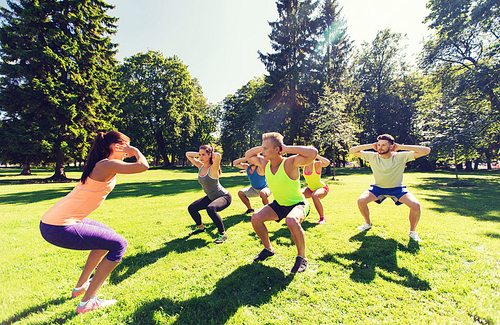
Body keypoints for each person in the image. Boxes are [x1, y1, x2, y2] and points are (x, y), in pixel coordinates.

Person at [39, 131, 149, 314]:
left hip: (57, 221)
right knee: (119, 244)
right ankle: (87, 302)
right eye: (126, 145)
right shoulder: (107, 164)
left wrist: (130, 150)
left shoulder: (105, 164)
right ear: (116, 146)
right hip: (58, 226)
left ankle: (81, 287)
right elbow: (143, 166)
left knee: (108, 237)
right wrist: (136, 151)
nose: (128, 150)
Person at [245, 132, 317, 273]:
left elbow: (313, 153)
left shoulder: (290, 163)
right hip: (280, 204)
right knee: (256, 218)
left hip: (298, 204)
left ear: (277, 150)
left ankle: (301, 258)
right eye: (262, 148)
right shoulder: (264, 163)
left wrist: (287, 148)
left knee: (291, 220)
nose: (262, 151)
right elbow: (248, 155)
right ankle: (268, 249)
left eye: (266, 148)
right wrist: (264, 147)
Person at [349, 134, 431, 242]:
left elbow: (426, 151)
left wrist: (401, 147)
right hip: (378, 188)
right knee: (361, 201)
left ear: (391, 146)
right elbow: (352, 151)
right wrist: (371, 145)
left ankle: (413, 232)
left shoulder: (399, 157)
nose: (380, 147)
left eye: (383, 145)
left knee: (415, 206)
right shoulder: (372, 156)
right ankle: (367, 224)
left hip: (397, 189)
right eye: (378, 145)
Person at [186, 145, 232, 244]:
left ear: (210, 155)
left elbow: (218, 155)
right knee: (192, 208)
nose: (200, 157)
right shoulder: (200, 165)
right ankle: (201, 228)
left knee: (211, 209)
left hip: (223, 197)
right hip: (211, 197)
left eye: (203, 155)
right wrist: (200, 153)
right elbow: (188, 155)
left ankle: (223, 233)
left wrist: (211, 154)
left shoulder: (213, 168)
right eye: (199, 155)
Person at [301, 155, 330, 224]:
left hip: (322, 188)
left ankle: (322, 218)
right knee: (297, 195)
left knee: (315, 195)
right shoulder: (303, 165)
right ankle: (301, 213)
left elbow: (327, 162)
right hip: (310, 188)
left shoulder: (317, 164)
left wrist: (316, 155)